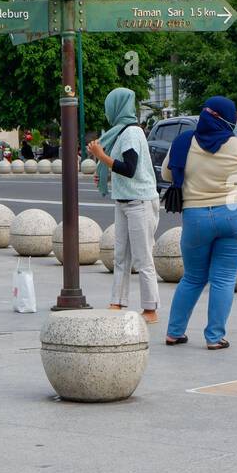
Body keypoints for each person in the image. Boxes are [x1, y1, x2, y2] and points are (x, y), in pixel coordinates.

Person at [161, 96, 237, 349]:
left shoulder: (183, 142)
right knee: (224, 278)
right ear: (227, 118)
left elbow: (166, 173)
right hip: (233, 214)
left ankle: (174, 332)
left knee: (193, 278)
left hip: (196, 216)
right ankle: (214, 338)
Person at [87, 87, 160, 324]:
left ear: (117, 107)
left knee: (142, 257)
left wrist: (101, 156)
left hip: (139, 200)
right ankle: (117, 301)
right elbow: (120, 168)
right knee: (121, 256)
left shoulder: (131, 133)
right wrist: (105, 170)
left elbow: (129, 169)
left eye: (109, 105)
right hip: (123, 200)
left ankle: (150, 308)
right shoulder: (118, 132)